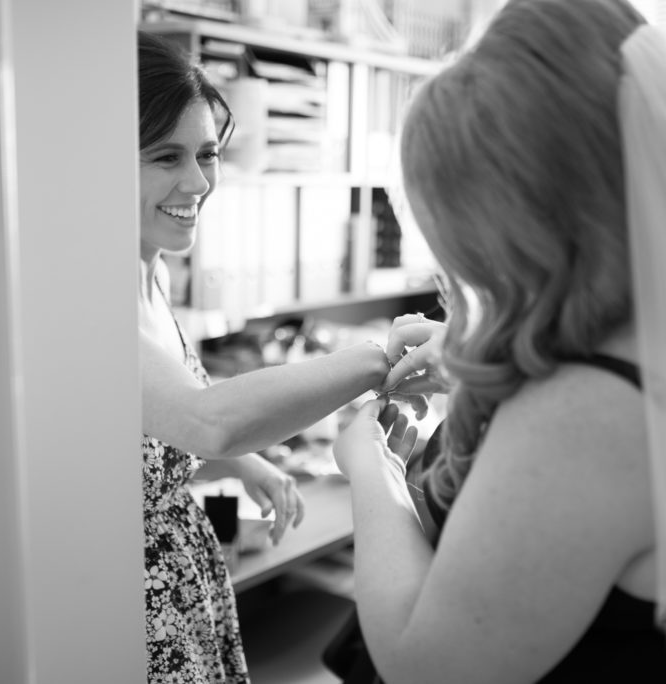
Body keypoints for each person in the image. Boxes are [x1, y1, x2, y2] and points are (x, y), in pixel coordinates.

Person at [331, 1, 666, 682]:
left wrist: (370, 468)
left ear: (530, 221)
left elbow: (426, 666)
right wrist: (479, 360)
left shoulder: (587, 414)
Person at [134, 31, 411, 683]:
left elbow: (162, 412)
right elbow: (204, 419)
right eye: (166, 157)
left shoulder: (150, 272)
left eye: (206, 154)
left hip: (186, 583)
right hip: (129, 604)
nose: (198, 181)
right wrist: (375, 359)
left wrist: (248, 462)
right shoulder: (82, 300)